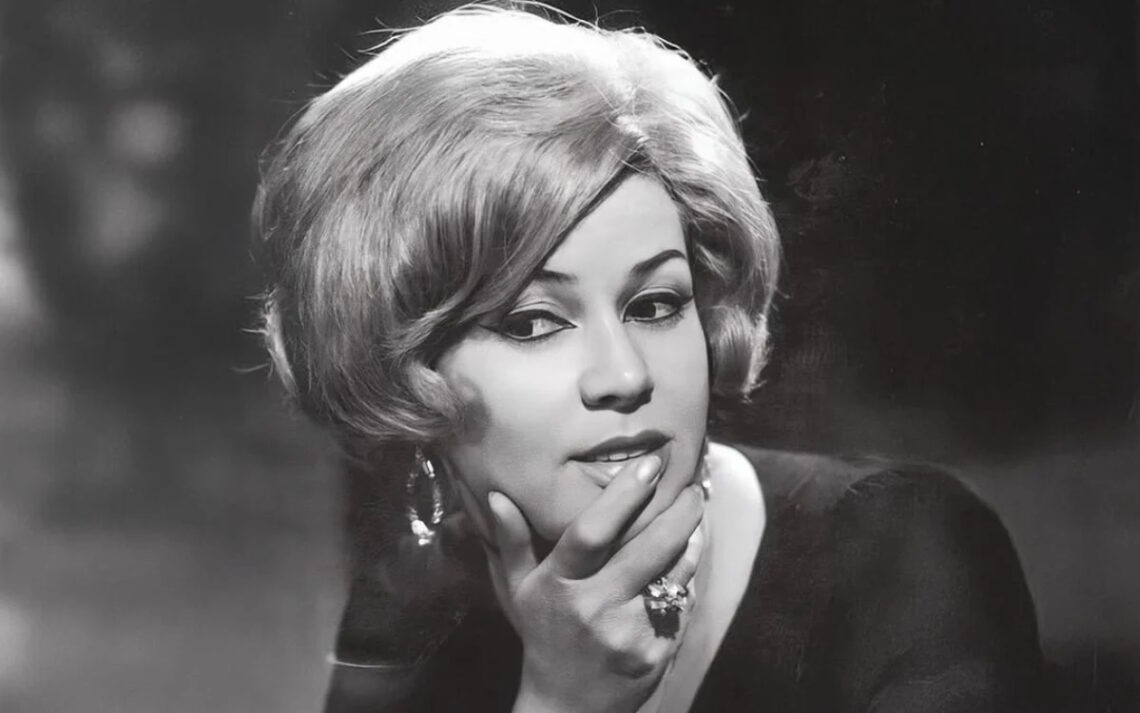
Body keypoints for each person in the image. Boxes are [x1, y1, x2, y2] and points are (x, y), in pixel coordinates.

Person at [253, 4, 1045, 711]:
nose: (626, 375)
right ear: (403, 363)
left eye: (656, 305)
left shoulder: (902, 554)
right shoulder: (411, 609)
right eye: (532, 322)